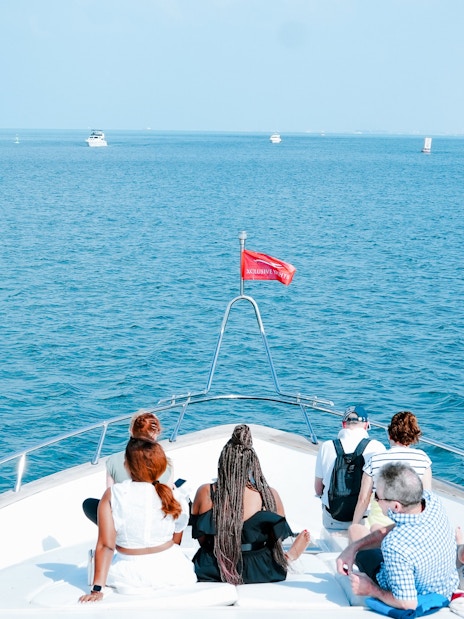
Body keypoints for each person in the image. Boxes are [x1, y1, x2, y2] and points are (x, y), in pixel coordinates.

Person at [79, 438, 196, 603]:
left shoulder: (114, 494)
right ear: (161, 467)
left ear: (127, 465)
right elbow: (176, 538)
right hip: (173, 570)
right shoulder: (174, 496)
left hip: (128, 575)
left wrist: (97, 589)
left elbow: (106, 546)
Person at [190, 424, 310, 585]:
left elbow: (203, 540)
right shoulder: (270, 495)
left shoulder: (206, 492)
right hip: (261, 570)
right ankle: (292, 556)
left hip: (214, 567)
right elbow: (275, 543)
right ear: (252, 465)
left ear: (223, 462)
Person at [336, 462, 458, 611]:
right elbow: (400, 527)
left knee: (355, 530)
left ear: (396, 507)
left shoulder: (395, 545)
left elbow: (407, 603)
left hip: (412, 592)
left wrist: (370, 589)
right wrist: (353, 548)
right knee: (374, 530)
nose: (376, 500)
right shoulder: (432, 502)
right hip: (444, 586)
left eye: (377, 497)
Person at [350, 411, 432, 541]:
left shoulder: (375, 459)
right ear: (413, 436)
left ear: (389, 435)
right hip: (411, 525)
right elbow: (427, 497)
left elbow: (363, 499)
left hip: (379, 525)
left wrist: (354, 526)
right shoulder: (423, 459)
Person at [82, 410, 173, 525]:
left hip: (126, 521)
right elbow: (168, 499)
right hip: (155, 520)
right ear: (157, 433)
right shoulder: (167, 463)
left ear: (131, 430)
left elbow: (111, 500)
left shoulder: (113, 461)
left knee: (89, 504)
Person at [314, 405, 386, 530]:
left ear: (343, 424)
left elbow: (318, 488)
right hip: (364, 519)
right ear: (366, 425)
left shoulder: (327, 446)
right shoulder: (377, 447)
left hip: (333, 516)